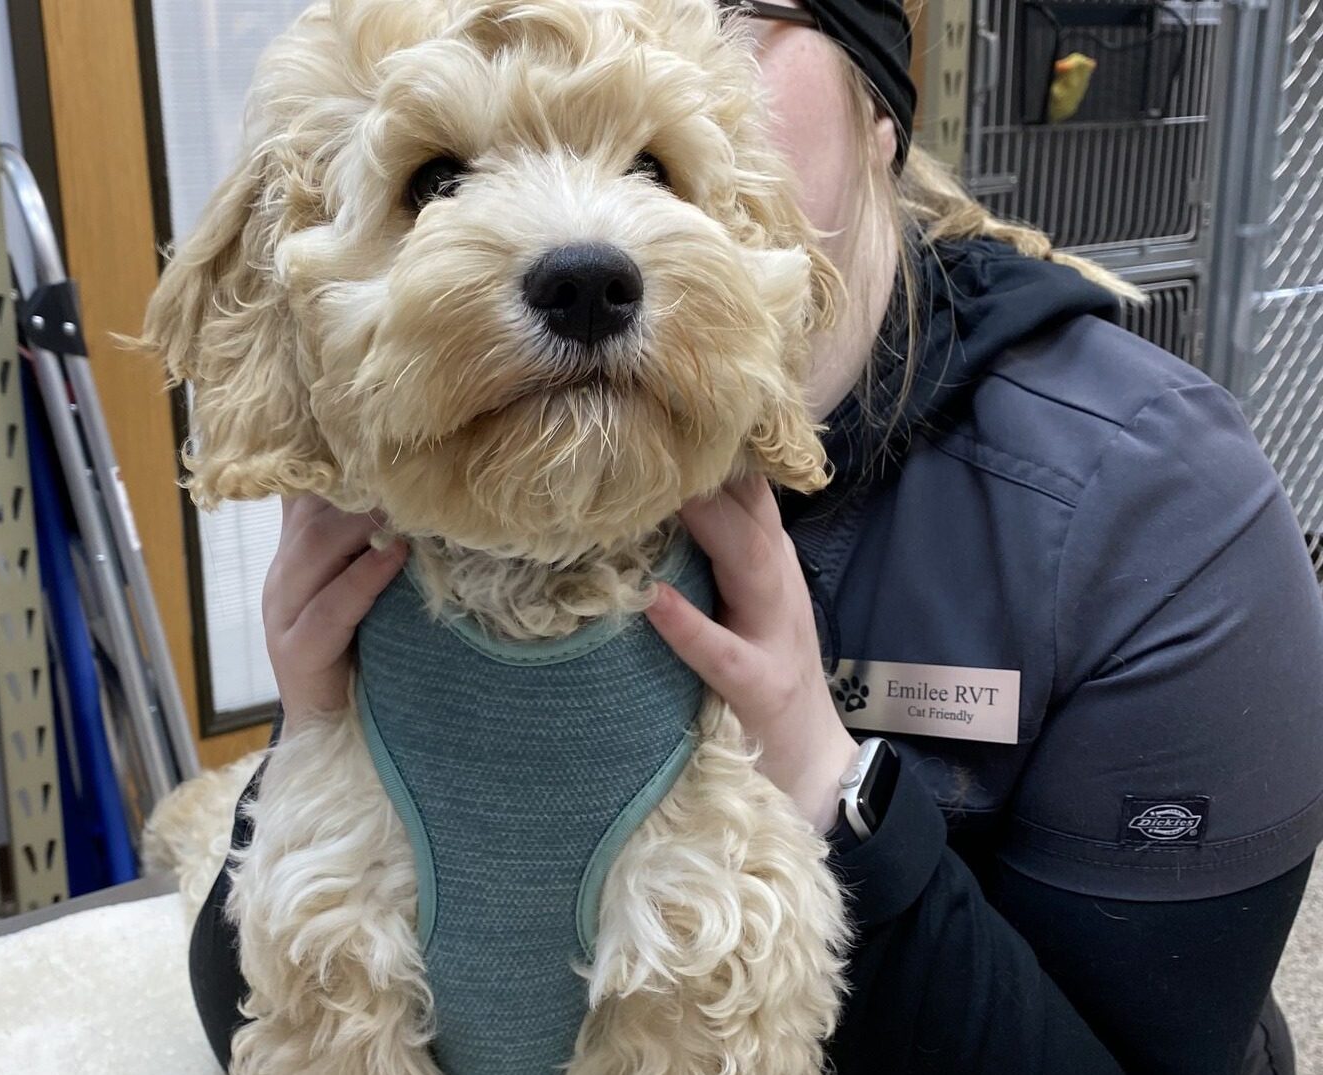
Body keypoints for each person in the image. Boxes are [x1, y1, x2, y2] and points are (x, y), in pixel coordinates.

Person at [188, 1, 1323, 1071]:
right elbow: (294, 1010)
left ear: (879, 96)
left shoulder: (1162, 509)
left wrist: (833, 784)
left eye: (649, 163)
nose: (581, 245)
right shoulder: (399, 517)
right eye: (441, 179)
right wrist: (321, 732)